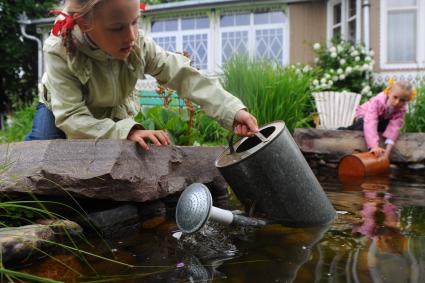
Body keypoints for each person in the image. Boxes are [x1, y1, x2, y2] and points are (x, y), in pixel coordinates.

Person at [25, 0, 259, 150]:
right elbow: (72, 117)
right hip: (62, 110)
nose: (131, 36)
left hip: (113, 109)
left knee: (121, 158)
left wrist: (232, 110)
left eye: (135, 22)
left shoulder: (137, 44)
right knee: (41, 155)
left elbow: (182, 74)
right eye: (117, 28)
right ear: (85, 23)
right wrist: (126, 130)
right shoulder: (60, 50)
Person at [344, 80, 416, 159]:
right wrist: (374, 146)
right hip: (365, 116)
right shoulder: (378, 101)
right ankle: (343, 130)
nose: (397, 102)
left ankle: (375, 138)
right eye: (395, 97)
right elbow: (370, 122)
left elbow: (394, 128)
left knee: (384, 130)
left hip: (381, 120)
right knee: (361, 126)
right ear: (389, 93)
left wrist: (387, 153)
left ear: (406, 101)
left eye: (402, 100)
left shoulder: (401, 109)